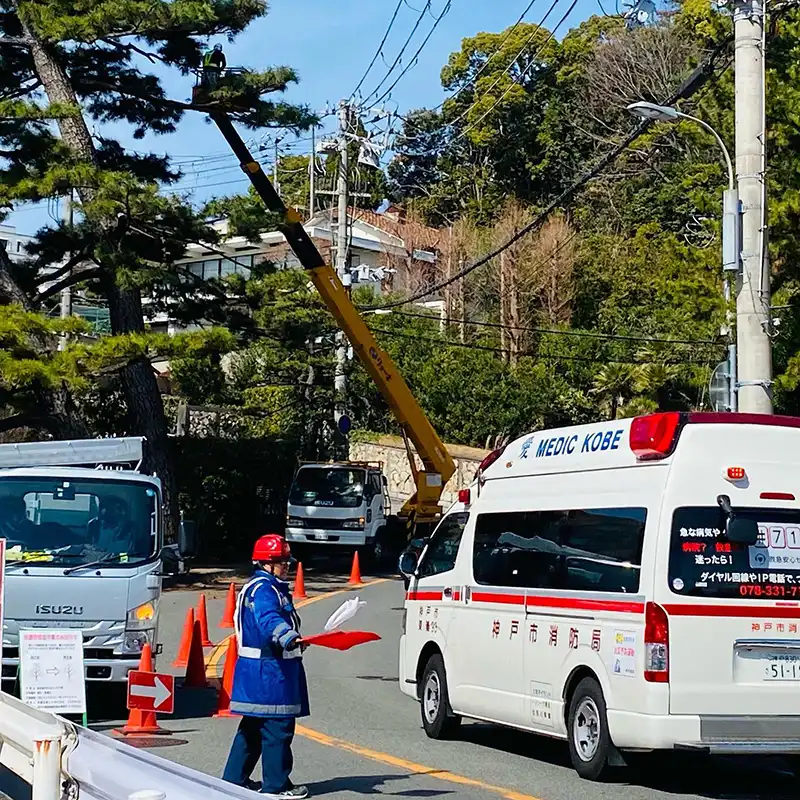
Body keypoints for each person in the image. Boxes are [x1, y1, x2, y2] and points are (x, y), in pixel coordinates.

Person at [222, 534, 309, 799]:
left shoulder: (266, 587)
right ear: (266, 563)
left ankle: (233, 781)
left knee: (252, 729)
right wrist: (289, 637)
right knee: (277, 728)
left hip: (259, 670)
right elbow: (268, 619)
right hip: (270, 672)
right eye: (282, 562)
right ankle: (277, 786)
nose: (288, 566)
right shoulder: (264, 590)